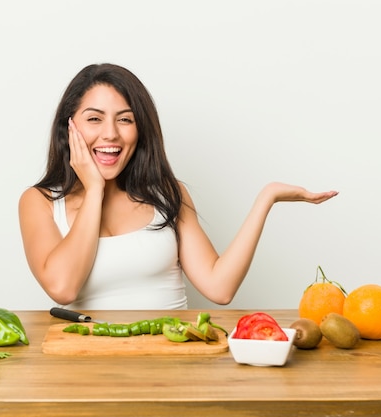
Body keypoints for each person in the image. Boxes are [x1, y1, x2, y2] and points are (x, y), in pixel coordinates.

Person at [18, 63, 338, 310]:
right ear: (69, 127)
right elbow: (63, 288)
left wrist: (267, 198)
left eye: (125, 120)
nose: (111, 134)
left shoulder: (167, 194)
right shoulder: (40, 202)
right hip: (87, 369)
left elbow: (219, 287)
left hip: (172, 366)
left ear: (141, 130)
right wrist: (95, 190)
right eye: (94, 119)